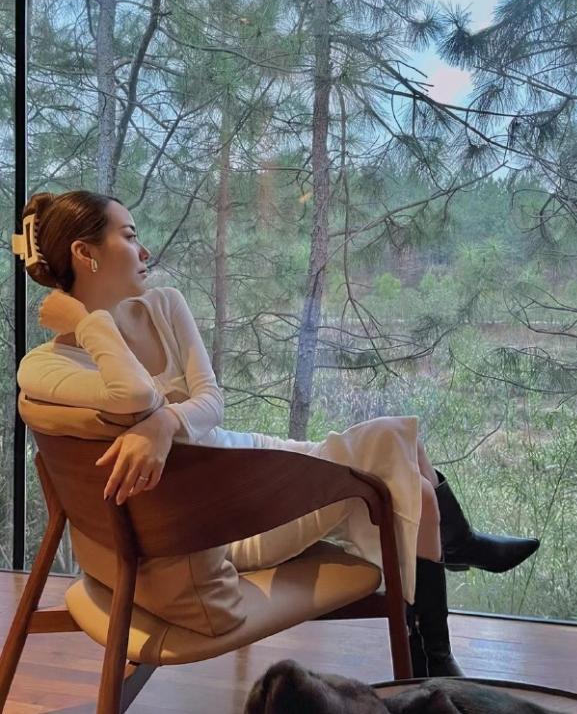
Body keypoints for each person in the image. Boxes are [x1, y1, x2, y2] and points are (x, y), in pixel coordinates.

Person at [14, 190, 539, 677]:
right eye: (129, 236)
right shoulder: (46, 365)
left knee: (395, 438)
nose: (144, 249)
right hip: (232, 517)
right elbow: (132, 394)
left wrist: (165, 423)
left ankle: (445, 601)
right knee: (414, 487)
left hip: (248, 459)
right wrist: (89, 323)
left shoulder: (165, 304)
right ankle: (439, 630)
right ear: (86, 253)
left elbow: (211, 402)